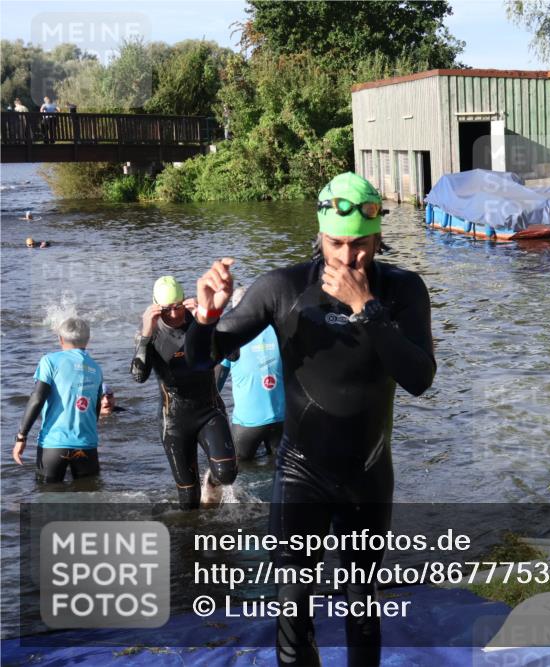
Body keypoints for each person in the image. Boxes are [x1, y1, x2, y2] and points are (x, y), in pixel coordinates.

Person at [187, 172, 435, 666]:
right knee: (292, 605)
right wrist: (206, 318)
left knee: (362, 603)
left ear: (377, 237)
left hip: (368, 473)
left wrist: (366, 308)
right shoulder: (282, 288)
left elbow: (419, 378)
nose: (348, 257)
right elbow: (199, 359)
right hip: (302, 471)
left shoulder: (402, 290)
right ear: (320, 236)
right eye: (336, 243)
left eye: (359, 244)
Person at [131, 275, 237, 509]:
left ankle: (211, 484)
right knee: (188, 503)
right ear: (156, 308)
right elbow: (138, 376)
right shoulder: (151, 332)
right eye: (166, 309)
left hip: (209, 411)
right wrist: (145, 335)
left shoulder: (197, 320)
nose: (174, 314)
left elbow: (233, 354)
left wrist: (209, 320)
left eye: (178, 307)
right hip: (174, 421)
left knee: (227, 473)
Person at [13, 317, 103, 482]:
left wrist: (21, 436)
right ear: (88, 340)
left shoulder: (50, 361)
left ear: (60, 339)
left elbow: (37, 398)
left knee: (48, 494)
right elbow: (96, 410)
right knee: (89, 494)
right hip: (86, 445)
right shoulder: (96, 368)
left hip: (54, 445)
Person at [215, 286, 284, 461]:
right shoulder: (280, 330)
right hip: (282, 419)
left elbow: (214, 386)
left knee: (239, 469)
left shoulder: (230, 336)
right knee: (281, 468)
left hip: (248, 424)